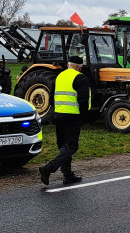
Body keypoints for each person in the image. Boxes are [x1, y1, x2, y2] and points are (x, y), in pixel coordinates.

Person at [39, 57, 91, 187]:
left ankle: (68, 175)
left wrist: (58, 110)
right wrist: (83, 117)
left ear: (68, 65)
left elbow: (51, 98)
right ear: (80, 66)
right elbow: (83, 100)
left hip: (58, 115)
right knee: (72, 146)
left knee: (64, 147)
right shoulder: (81, 78)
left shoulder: (59, 77)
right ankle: (49, 168)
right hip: (73, 116)